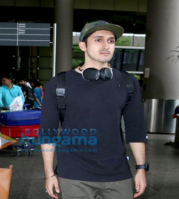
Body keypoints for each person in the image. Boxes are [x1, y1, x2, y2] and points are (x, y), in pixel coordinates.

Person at [40, 20, 148, 199]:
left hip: (118, 174)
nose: (106, 45)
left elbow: (136, 129)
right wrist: (49, 174)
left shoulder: (128, 83)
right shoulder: (60, 84)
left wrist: (141, 169)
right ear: (83, 45)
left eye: (111, 41)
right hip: (73, 175)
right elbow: (47, 133)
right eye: (98, 40)